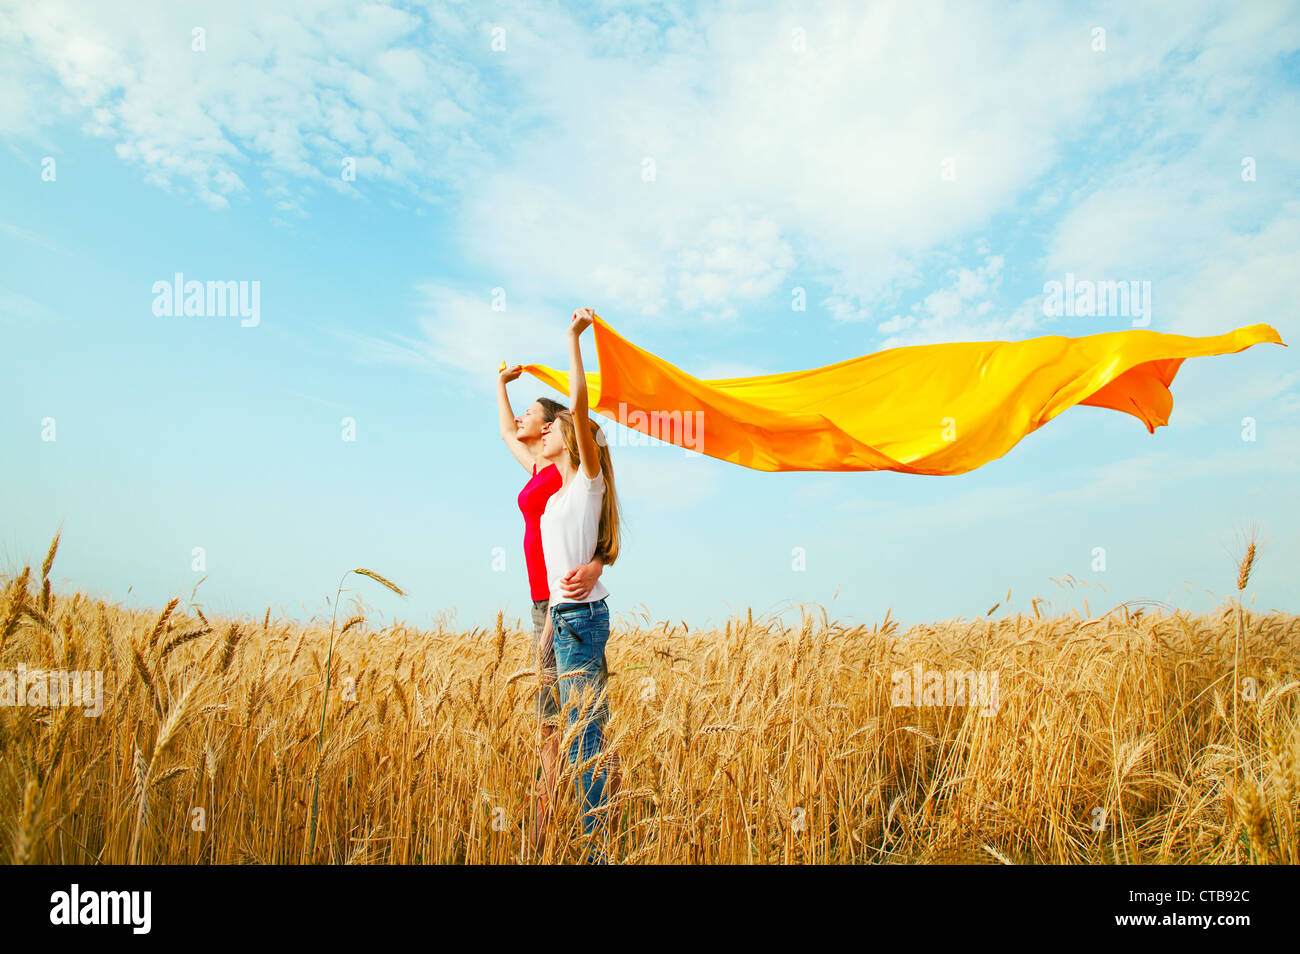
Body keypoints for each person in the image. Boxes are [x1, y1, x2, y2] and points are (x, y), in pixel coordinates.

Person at [496, 361, 605, 857]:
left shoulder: (573, 478)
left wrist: (598, 564)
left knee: (585, 722)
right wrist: (499, 385)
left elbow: (599, 532)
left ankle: (600, 829)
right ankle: (542, 829)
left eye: (531, 413)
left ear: (551, 427)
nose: (522, 419)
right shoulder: (542, 468)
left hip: (569, 605)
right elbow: (505, 434)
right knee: (548, 721)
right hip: (544, 607)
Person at [538, 306, 623, 863]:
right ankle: (596, 836)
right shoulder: (554, 494)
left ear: (572, 439)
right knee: (577, 736)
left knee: (584, 735)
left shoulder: (587, 484)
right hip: (564, 622)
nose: (544, 431)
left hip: (585, 623)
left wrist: (572, 339)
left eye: (553, 427)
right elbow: (553, 572)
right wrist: (545, 627)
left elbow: (578, 403)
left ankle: (597, 851)